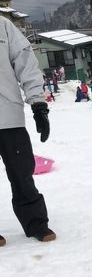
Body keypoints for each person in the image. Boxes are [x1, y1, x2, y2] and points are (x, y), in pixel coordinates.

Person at [0, 17, 56, 245]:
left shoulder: (3, 26)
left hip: (8, 114)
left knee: (22, 174)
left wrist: (38, 104)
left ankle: (36, 223)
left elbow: (26, 63)